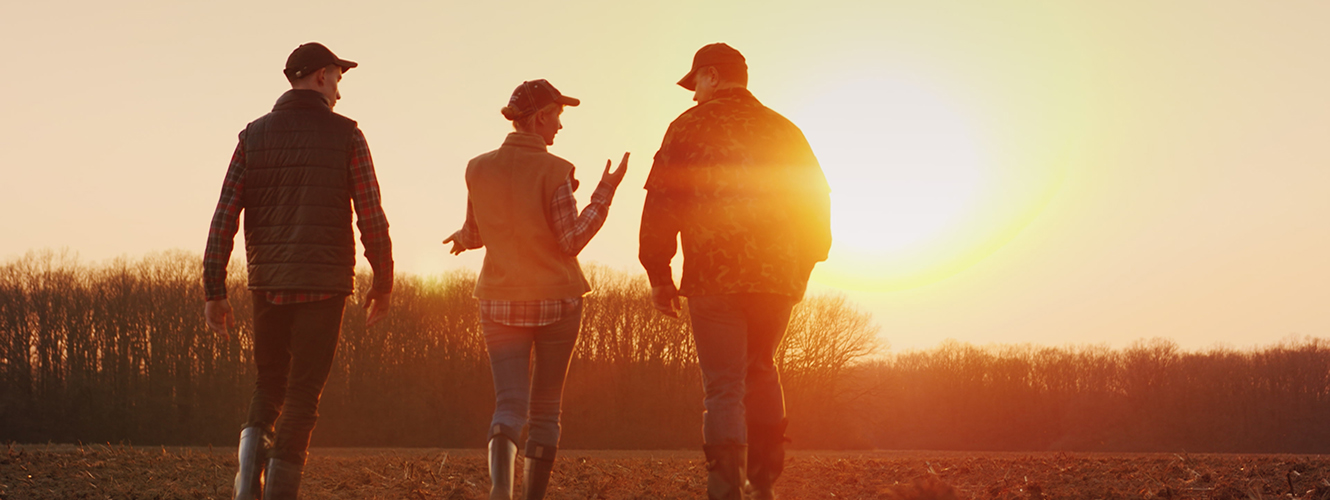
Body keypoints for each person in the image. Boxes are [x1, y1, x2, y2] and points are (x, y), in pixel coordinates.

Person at [639, 43, 832, 500]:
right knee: (762, 369)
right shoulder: (785, 131)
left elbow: (662, 204)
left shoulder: (686, 129)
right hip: (775, 280)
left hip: (713, 279)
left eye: (695, 85)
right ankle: (762, 486)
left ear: (710, 76)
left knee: (723, 388)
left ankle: (726, 491)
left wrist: (659, 274)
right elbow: (816, 202)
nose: (692, 96)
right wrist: (804, 264)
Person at [202, 42, 394, 500]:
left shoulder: (252, 136)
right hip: (325, 285)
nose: (341, 94)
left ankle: (248, 476)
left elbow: (224, 214)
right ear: (322, 76)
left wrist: (214, 288)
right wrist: (383, 281)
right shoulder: (347, 135)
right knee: (304, 394)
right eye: (339, 80)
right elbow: (371, 214)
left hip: (268, 283)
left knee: (268, 384)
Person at [443, 79, 628, 500]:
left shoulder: (477, 167)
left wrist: (461, 236)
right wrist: (606, 191)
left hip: (497, 299)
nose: (560, 125)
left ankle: (500, 491)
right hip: (556, 302)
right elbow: (571, 240)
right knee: (546, 410)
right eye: (558, 115)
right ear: (541, 116)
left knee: (508, 405)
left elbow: (478, 231)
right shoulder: (556, 170)